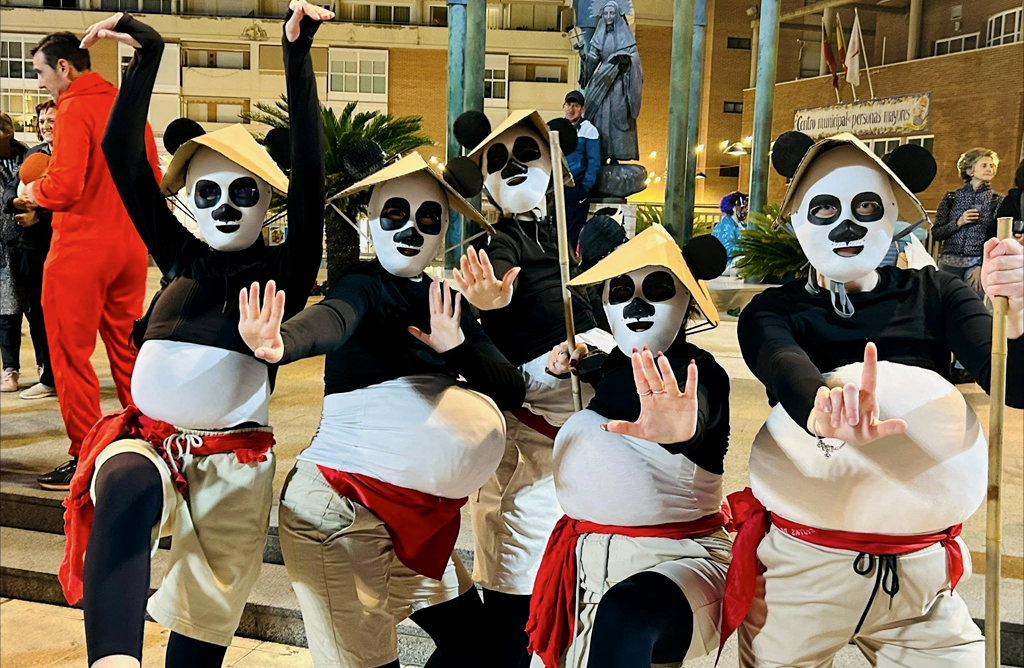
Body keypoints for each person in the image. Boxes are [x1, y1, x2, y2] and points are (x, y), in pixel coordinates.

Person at [55, 6, 327, 667]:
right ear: (188, 200)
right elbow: (123, 155)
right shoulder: (178, 251)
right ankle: (112, 659)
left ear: (267, 201)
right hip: (148, 439)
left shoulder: (284, 269)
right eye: (209, 192)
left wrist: (295, 56)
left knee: (209, 611)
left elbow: (312, 175)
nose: (226, 206)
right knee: (123, 484)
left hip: (235, 461)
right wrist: (146, 57)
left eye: (243, 192)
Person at [724, 131, 1023, 667]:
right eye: (824, 208)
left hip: (919, 575)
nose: (846, 224)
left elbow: (1016, 384)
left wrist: (1019, 320)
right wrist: (822, 408)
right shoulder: (773, 309)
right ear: (796, 221)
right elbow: (782, 363)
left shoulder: (940, 294)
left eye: (866, 206)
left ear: (892, 213)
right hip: (805, 567)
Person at [239, 152, 525, 668]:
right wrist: (284, 340)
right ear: (370, 218)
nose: (411, 228)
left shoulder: (445, 300)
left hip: (416, 521)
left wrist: (457, 345)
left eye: (427, 219)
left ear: (443, 230)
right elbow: (333, 318)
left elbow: (511, 389)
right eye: (395, 213)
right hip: (340, 510)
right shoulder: (362, 283)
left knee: (487, 649)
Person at [451, 109, 615, 668]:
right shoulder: (500, 240)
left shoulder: (566, 233)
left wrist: (596, 345)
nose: (514, 167)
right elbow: (491, 284)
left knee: (569, 602)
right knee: (513, 607)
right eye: (498, 161)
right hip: (531, 446)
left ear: (551, 159)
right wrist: (488, 298)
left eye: (527, 154)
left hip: (587, 452)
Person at [527, 227, 733, 668]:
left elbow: (696, 413)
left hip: (675, 559)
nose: (636, 305)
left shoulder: (700, 372)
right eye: (621, 291)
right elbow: (614, 374)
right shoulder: (616, 363)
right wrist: (576, 364)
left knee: (629, 616)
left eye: (657, 289)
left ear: (686, 296)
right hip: (590, 563)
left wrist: (682, 431)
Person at [22, 30, 152, 490]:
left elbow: (66, 186)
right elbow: (151, 176)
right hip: (130, 247)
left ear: (64, 67)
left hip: (79, 249)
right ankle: (148, 441)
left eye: (39, 72)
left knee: (70, 358)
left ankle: (86, 455)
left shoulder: (73, 107)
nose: (40, 84)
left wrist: (31, 190)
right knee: (125, 349)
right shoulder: (124, 101)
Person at [3, 101, 57, 399]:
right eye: (42, 120)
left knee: (64, 318)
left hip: (62, 247)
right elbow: (13, 186)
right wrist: (14, 203)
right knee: (37, 315)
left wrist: (41, 217)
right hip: (31, 249)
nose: (45, 125)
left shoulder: (78, 155)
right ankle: (47, 374)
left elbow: (78, 201)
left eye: (52, 119)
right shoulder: (33, 154)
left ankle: (62, 375)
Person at [932, 147, 1003, 295]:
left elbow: (996, 237)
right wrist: (958, 222)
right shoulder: (951, 197)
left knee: (972, 306)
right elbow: (937, 232)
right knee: (945, 306)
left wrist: (983, 265)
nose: (989, 169)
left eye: (992, 166)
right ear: (970, 170)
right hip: (949, 262)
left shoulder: (997, 200)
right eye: (984, 165)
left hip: (976, 263)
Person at [579, 0, 643, 162]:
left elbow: (635, 59)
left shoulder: (626, 38)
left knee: (619, 115)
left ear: (618, 14)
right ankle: (600, 154)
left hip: (619, 83)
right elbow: (593, 58)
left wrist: (627, 61)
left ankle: (616, 155)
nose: (608, 16)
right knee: (599, 118)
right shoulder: (599, 36)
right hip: (601, 81)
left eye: (612, 13)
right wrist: (584, 57)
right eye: (606, 13)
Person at [0, 112, 31, 393]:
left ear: (7, 132)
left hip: (31, 243)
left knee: (38, 310)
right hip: (1, 249)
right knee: (7, 313)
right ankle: (10, 369)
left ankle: (46, 367)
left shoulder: (28, 158)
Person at [563, 90, 600, 249]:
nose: (571, 109)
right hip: (556, 186)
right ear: (563, 106)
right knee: (555, 230)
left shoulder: (589, 130)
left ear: (583, 109)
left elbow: (593, 162)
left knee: (573, 233)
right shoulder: (556, 127)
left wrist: (584, 188)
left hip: (576, 185)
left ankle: (571, 268)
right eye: (568, 105)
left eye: (576, 105)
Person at [711, 191, 747, 268]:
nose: (745, 210)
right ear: (734, 207)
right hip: (726, 264)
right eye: (743, 207)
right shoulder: (726, 225)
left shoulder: (742, 224)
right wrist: (749, 248)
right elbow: (727, 250)